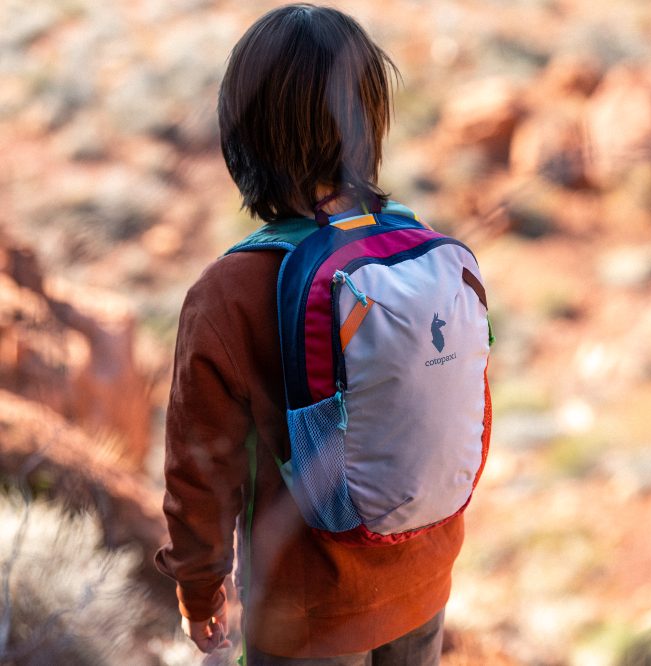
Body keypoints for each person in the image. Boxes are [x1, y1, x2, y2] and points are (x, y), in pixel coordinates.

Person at [154, 5, 466, 664]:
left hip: (307, 616)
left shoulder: (228, 294)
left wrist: (199, 592)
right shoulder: (413, 255)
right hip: (423, 582)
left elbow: (200, 474)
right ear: (367, 120)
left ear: (244, 134)